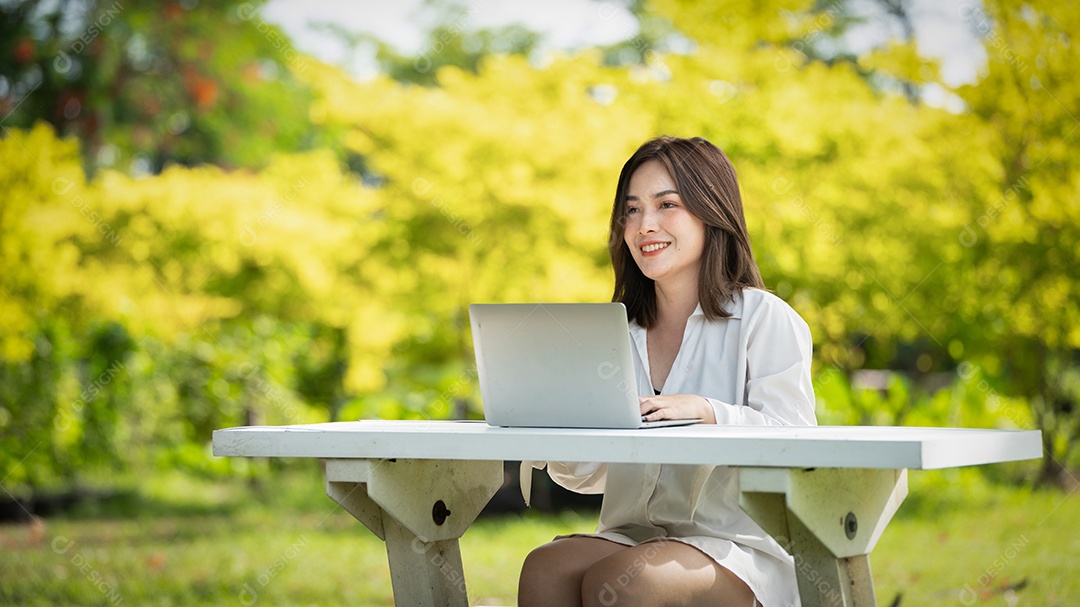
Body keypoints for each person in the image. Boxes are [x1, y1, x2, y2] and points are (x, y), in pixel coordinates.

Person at [517, 136, 817, 607]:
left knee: (627, 581)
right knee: (545, 567)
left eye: (667, 205)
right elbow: (592, 476)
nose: (644, 225)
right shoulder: (614, 331)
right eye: (631, 210)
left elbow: (798, 445)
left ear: (711, 211)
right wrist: (561, 435)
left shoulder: (763, 318)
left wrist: (709, 412)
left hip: (739, 552)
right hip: (633, 536)